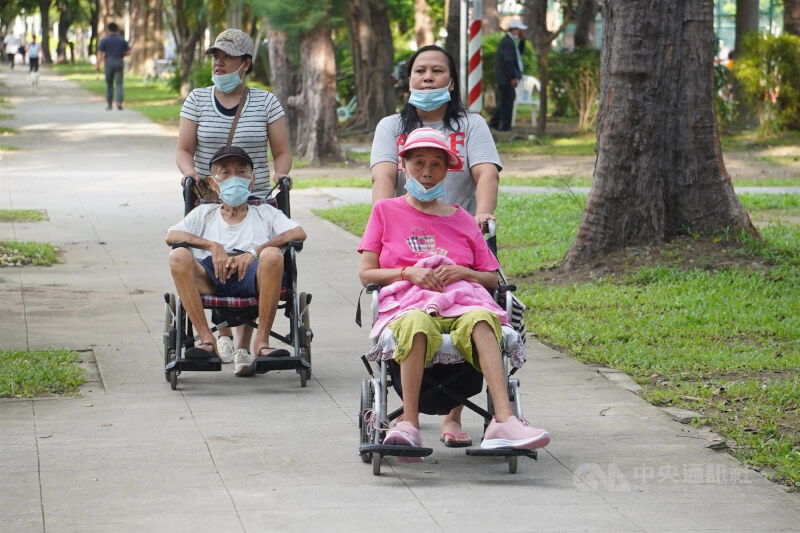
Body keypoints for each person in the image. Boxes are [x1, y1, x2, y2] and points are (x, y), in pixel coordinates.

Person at [359, 128, 550, 453]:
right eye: (419, 162)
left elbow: (492, 279)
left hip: (462, 303)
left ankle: (503, 422)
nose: (427, 172)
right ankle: (409, 424)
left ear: (447, 171)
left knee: (481, 318)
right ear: (403, 166)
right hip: (410, 303)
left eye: (436, 164)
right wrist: (409, 273)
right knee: (416, 323)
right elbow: (366, 274)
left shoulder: (463, 219)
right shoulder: (385, 211)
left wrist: (464, 272)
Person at [371, 44, 503, 448]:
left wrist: (480, 217)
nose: (427, 77)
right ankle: (408, 413)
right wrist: (385, 222)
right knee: (417, 316)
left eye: (437, 71)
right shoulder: (392, 126)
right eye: (419, 71)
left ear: (451, 80)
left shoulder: (471, 125)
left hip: (460, 232)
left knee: (470, 309)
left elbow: (485, 174)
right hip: (409, 231)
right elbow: (383, 178)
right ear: (408, 79)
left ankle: (453, 414)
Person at [176, 28, 292, 364]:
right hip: (209, 197)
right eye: (215, 56)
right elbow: (184, 149)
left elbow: (281, 152)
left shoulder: (266, 101)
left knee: (251, 257)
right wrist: (190, 174)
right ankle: (220, 336)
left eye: (226, 57)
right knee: (215, 259)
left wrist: (281, 175)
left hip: (254, 197)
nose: (218, 63)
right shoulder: (197, 99)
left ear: (245, 64)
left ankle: (245, 343)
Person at [166, 145, 306, 377]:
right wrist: (212, 246)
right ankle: (207, 341)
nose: (235, 178)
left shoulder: (264, 213)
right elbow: (171, 236)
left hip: (254, 277)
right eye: (226, 172)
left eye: (242, 172)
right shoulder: (204, 213)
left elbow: (298, 233)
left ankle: (261, 344)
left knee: (271, 254)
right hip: (211, 276)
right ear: (213, 183)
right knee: (178, 256)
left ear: (251, 181)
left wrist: (255, 252)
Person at [490, 19, 528, 132]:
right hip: (505, 78)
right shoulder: (508, 43)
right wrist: (513, 77)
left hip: (505, 78)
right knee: (508, 102)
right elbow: (509, 61)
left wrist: (522, 42)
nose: (521, 32)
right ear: (514, 30)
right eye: (520, 30)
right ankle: (505, 125)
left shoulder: (511, 42)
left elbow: (517, 55)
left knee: (506, 100)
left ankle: (494, 122)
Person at [96, 22, 131, 110]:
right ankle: (119, 103)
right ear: (117, 29)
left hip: (108, 62)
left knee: (109, 84)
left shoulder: (104, 40)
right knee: (119, 84)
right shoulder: (122, 40)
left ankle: (109, 103)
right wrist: (122, 54)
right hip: (119, 61)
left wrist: (97, 65)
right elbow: (129, 52)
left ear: (109, 30)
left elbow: (100, 53)